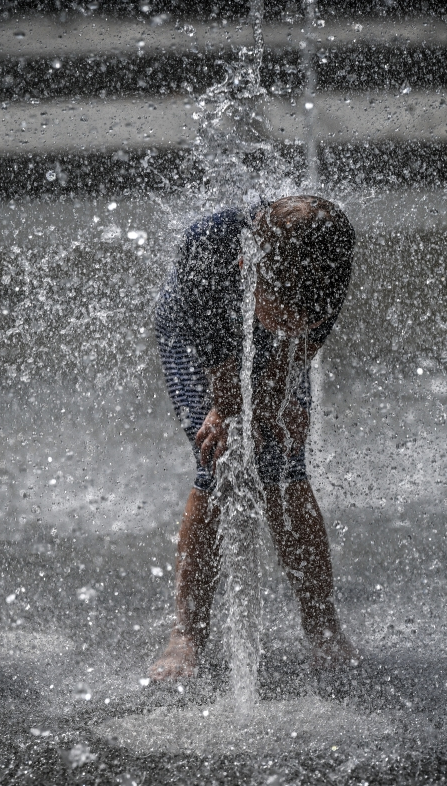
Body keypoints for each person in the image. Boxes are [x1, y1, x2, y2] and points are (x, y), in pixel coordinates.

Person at [149, 194, 359, 681]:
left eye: (300, 315)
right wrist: (228, 412)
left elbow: (301, 343)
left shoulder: (327, 257)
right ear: (250, 265)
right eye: (282, 309)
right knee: (217, 463)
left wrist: (283, 396)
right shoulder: (209, 251)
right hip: (193, 335)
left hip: (270, 325)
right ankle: (189, 633)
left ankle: (323, 627)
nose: (293, 321)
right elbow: (226, 384)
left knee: (284, 466)